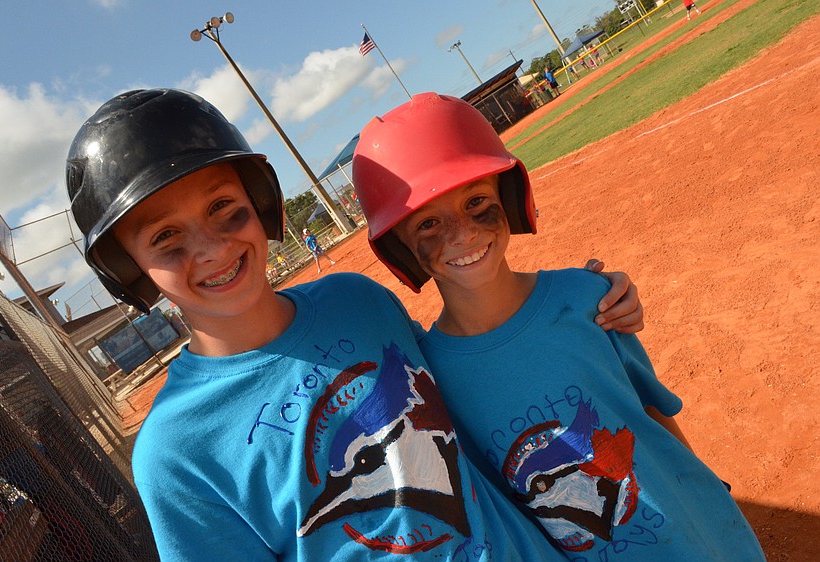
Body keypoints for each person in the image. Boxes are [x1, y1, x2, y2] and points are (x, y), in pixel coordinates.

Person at [65, 89, 639, 561]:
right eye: (166, 238)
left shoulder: (355, 300)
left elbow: (471, 362)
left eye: (224, 208)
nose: (211, 248)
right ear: (127, 270)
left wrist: (579, 297)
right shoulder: (174, 450)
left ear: (261, 203)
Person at [351, 92, 767, 561]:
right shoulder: (435, 377)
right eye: (427, 223)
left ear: (509, 197)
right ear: (402, 248)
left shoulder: (589, 298)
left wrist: (710, 493)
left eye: (477, 202)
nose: (462, 234)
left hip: (707, 538)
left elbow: (653, 413)